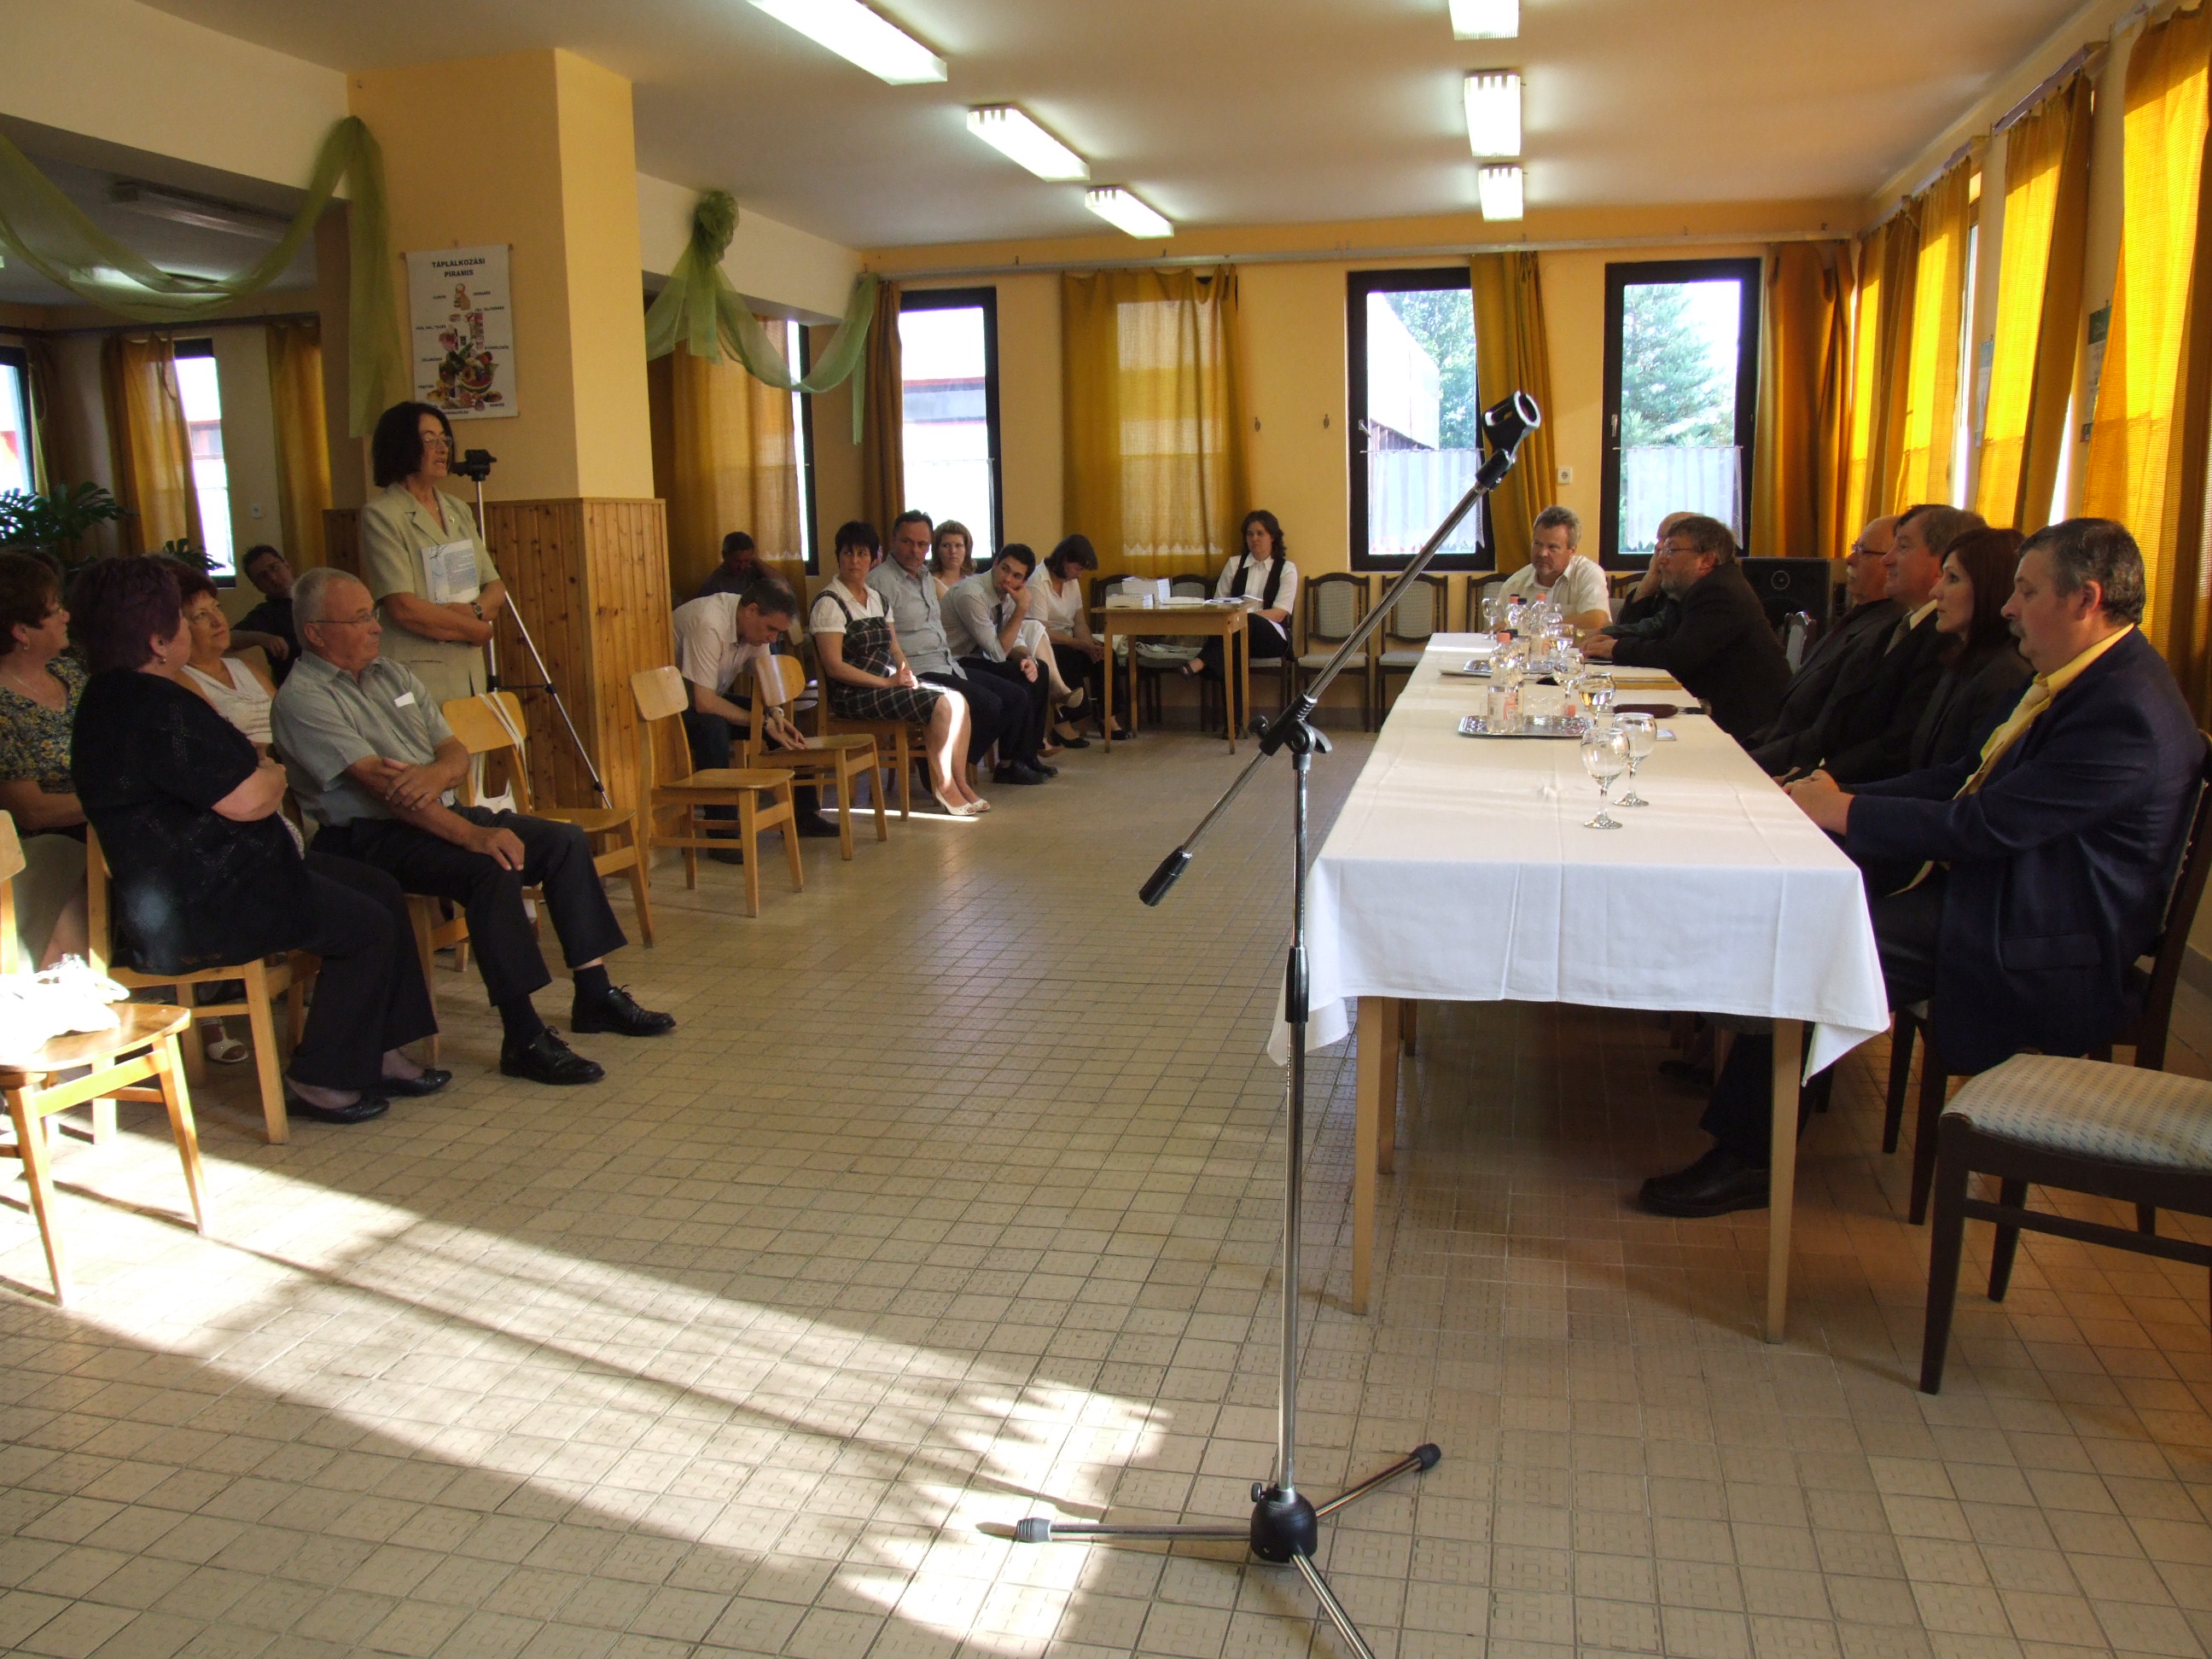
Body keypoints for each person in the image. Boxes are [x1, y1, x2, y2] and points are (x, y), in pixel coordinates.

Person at [1643, 519, 2205, 1218]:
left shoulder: (2123, 709)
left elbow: (1988, 824)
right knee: (1815, 903)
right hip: (2005, 894)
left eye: (2027, 592)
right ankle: (1763, 1094)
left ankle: (1751, 1158)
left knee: (1818, 943)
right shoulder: (2086, 679)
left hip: (2043, 936)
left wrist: (1846, 811)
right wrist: (1843, 800)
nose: (2009, 607)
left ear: (2086, 599)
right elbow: (1964, 777)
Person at [67, 556, 446, 1126]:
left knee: (378, 889)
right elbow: (248, 798)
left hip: (216, 875)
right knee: (365, 925)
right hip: (202, 899)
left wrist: (261, 772)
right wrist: (274, 773)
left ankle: (379, 1050)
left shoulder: (119, 695)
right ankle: (320, 1078)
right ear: (158, 641)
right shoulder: (150, 706)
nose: (190, 627)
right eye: (181, 619)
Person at [273, 568, 674, 1087]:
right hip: (365, 837)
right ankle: (523, 1036)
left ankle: (594, 994)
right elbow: (383, 790)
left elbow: (453, 750)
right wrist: (474, 834)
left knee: (564, 841)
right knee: (491, 866)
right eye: (359, 619)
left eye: (373, 613)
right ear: (315, 633)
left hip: (436, 810)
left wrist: (435, 775)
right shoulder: (303, 698)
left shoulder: (392, 674)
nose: (375, 627)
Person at [1753, 504, 1982, 783]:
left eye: (1903, 547)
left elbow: (1896, 746)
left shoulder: (1945, 642)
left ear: (1941, 563)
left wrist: (1816, 779)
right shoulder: (1895, 630)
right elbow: (1837, 727)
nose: (1888, 560)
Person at [812, 521, 987, 818]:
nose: (854, 561)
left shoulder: (877, 599)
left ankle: (959, 782)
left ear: (874, 558)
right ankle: (943, 786)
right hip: (854, 694)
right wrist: (885, 683)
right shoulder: (829, 603)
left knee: (959, 700)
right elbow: (834, 667)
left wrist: (907, 675)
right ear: (838, 556)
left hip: (887, 684)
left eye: (862, 554)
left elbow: (894, 648)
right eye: (848, 553)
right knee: (941, 705)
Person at [872, 511, 1051, 787]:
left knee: (1024, 685)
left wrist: (1027, 656)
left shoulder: (924, 577)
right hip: (920, 668)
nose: (915, 550)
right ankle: (940, 763)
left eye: (922, 544)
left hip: (946, 662)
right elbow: (996, 652)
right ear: (894, 539)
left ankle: (1010, 760)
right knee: (993, 703)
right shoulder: (881, 582)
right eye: (908, 542)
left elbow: (1006, 636)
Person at [358, 400, 509, 706]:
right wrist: (477, 630)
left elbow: (494, 586)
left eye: (445, 439)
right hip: (417, 670)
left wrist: (475, 612)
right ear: (402, 445)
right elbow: (403, 607)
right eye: (429, 440)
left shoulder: (457, 508)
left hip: (467, 667)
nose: (442, 449)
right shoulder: (383, 514)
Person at [1584, 516, 1789, 739]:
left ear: (1706, 560)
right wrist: (1613, 643)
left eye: (1671, 551)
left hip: (1750, 725)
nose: (1661, 560)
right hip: (1719, 708)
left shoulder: (1719, 591)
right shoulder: (1693, 589)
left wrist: (1617, 649)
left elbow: (1678, 656)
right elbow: (1661, 634)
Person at [672, 575, 837, 846]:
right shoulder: (708, 623)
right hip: (673, 709)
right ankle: (723, 833)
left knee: (785, 724)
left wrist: (776, 715)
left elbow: (767, 685)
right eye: (771, 629)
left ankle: (804, 815)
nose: (772, 638)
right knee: (713, 727)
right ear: (751, 611)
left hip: (707, 699)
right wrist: (761, 722)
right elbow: (704, 702)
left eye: (778, 633)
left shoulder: (753, 629)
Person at [1746, 516, 1900, 752]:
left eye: (1864, 551)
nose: (1850, 558)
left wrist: (1753, 758)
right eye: (1854, 548)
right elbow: (1790, 713)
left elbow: (1824, 733)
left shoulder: (1882, 634)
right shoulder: (1858, 619)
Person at [0, 553, 87, 969]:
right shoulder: (3, 705)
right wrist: (114, 800)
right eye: (54, 610)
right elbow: (31, 811)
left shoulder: (72, 674)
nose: (66, 616)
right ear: (21, 631)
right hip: (48, 839)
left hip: (106, 819)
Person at [940, 542, 1072, 765]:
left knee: (1039, 669)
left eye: (1016, 576)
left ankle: (1028, 757)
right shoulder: (971, 594)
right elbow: (997, 653)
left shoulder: (1010, 594)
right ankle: (1009, 764)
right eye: (1005, 569)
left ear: (1024, 581)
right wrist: (1022, 609)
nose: (1008, 579)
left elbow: (1015, 638)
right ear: (995, 564)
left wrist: (1028, 659)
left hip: (977, 659)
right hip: (953, 661)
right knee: (1016, 690)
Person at [1186, 510, 1299, 683]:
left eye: (1260, 533)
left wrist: (1241, 619)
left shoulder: (1286, 569)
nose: (1254, 538)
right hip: (1236, 634)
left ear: (1272, 537)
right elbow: (1218, 605)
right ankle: (1234, 702)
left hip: (1271, 638)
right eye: (1250, 534)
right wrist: (1237, 621)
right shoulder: (1234, 564)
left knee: (1246, 621)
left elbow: (1279, 613)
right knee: (1235, 647)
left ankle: (1201, 662)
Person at [178, 568, 277, 749]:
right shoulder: (182, 679)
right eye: (201, 615)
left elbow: (286, 722)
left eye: (217, 607)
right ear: (180, 628)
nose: (217, 621)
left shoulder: (245, 667)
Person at [1029, 535, 1110, 743]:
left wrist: (1089, 646)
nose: (1080, 575)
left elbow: (1079, 622)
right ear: (1064, 560)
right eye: (1077, 569)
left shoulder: (1072, 582)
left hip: (1070, 641)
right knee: (1066, 657)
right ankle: (1062, 725)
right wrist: (1079, 644)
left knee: (1105, 655)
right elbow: (1042, 631)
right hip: (1045, 644)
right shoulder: (1037, 582)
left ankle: (1108, 718)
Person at [1494, 506, 1609, 631]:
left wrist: (1529, 624)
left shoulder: (1587, 574)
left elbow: (1595, 621)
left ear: (1572, 551)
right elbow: (1497, 630)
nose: (1542, 553)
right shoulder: (1514, 585)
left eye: (1552, 547)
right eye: (1537, 544)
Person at [1605, 511, 1695, 643]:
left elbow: (1657, 627)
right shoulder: (1663, 583)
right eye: (1658, 540)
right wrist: (1650, 578)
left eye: (1668, 541)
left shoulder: (1693, 586)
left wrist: (1602, 633)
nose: (1658, 546)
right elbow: (1627, 625)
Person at [231, 544, 299, 681]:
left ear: (287, 565)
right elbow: (230, 638)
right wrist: (261, 637)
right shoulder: (265, 614)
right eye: (263, 576)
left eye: (274, 568)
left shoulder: (317, 595)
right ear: (258, 586)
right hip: (297, 684)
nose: (272, 578)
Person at [696, 532, 767, 601]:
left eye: (747, 561)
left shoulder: (751, 573)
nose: (742, 567)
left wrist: (756, 560)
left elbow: (774, 582)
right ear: (724, 555)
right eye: (737, 561)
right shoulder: (713, 585)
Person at [930, 520, 976, 600]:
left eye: (958, 545)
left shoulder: (974, 582)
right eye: (946, 546)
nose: (953, 551)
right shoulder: (929, 583)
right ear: (937, 549)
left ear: (966, 549)